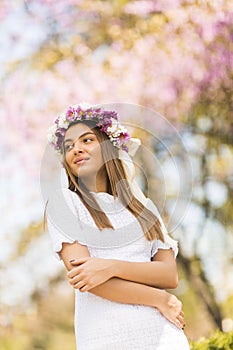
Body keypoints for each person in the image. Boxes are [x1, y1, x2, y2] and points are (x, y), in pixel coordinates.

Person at [46, 103, 190, 349]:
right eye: (68, 146)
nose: (76, 149)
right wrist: (160, 299)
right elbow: (87, 278)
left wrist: (109, 266)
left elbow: (169, 274)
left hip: (164, 335)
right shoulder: (64, 203)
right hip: (106, 336)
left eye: (87, 140)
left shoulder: (144, 208)